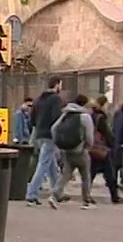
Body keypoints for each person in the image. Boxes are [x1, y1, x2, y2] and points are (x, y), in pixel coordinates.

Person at [49, 94, 96, 209]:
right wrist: (87, 147)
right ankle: (86, 200)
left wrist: (59, 143)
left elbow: (54, 128)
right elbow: (89, 135)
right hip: (80, 150)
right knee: (85, 176)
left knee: (65, 175)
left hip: (67, 149)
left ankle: (54, 195)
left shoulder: (66, 114)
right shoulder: (85, 116)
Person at [25, 76, 65, 206]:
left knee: (51, 164)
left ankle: (58, 192)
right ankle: (31, 193)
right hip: (50, 135)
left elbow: (31, 120)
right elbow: (57, 118)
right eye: (60, 85)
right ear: (57, 85)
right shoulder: (56, 99)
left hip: (39, 134)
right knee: (43, 164)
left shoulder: (38, 100)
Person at [89, 99, 123, 204]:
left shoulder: (91, 116)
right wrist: (112, 144)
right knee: (109, 174)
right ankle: (115, 197)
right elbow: (107, 133)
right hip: (101, 150)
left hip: (92, 148)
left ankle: (86, 195)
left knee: (91, 174)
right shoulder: (101, 117)